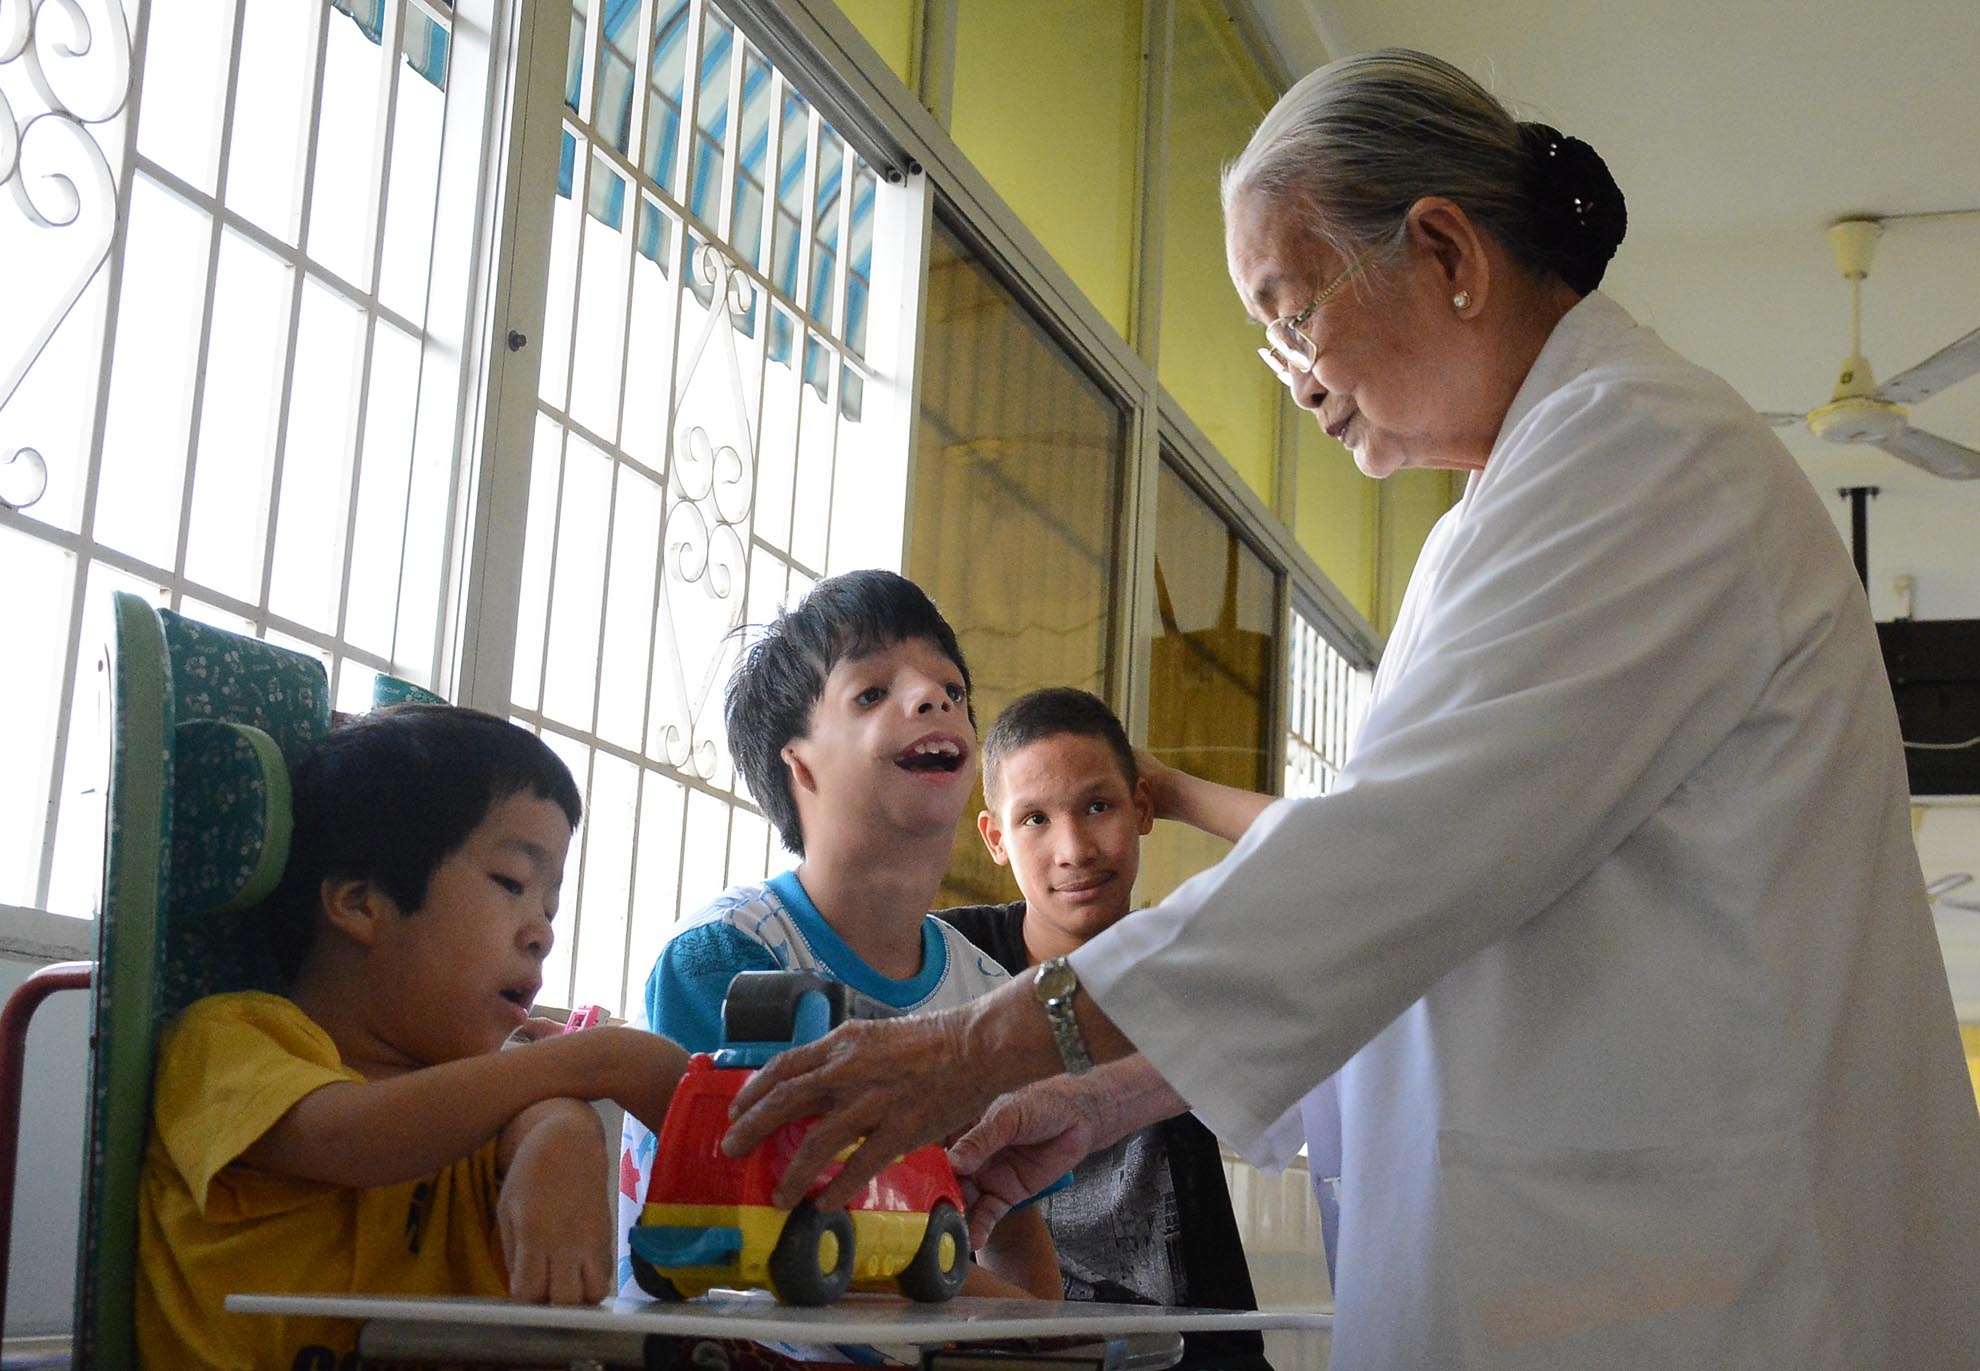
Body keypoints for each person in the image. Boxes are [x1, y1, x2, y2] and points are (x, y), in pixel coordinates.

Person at [716, 48, 1980, 1369]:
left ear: (1446, 252)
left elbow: (1395, 862)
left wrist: (980, 1045)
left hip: (1712, 1280)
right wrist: (1113, 1094)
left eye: (1296, 310)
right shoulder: (1506, 510)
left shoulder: (1645, 458)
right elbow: (1431, 923)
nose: (1299, 378)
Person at [136, 705, 693, 1370]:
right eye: (511, 883)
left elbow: (527, 1116)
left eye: (549, 905)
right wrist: (595, 1062)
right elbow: (350, 1137)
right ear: (360, 902)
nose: (541, 931)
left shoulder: (485, 1101)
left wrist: (565, 1135)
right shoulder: (229, 1040)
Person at [615, 569, 1060, 1301]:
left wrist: (1049, 1338)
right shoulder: (724, 957)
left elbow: (1015, 1225)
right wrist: (1022, 1322)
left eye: (952, 690)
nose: (933, 699)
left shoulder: (990, 992)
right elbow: (795, 1222)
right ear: (800, 767)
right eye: (873, 693)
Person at [944, 687, 1272, 1371]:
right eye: (1034, 818)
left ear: (1141, 807)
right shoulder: (951, 957)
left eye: (1099, 805)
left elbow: (1347, 860)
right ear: (995, 839)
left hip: (1197, 1357)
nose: (1074, 849)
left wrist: (1178, 787)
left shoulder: (1189, 959)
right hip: (1010, 1346)